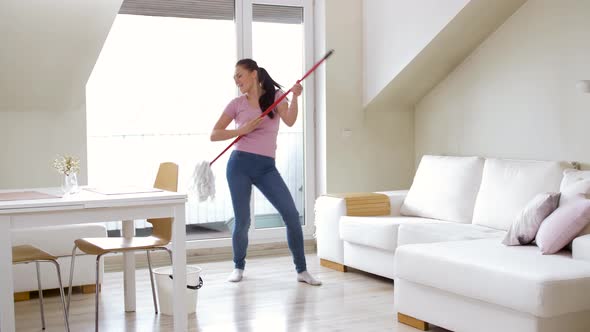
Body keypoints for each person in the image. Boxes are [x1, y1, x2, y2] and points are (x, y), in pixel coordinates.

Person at [210, 59, 321, 286]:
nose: (236, 80)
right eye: (235, 77)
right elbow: (215, 134)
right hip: (239, 165)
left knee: (290, 214)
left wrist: (296, 97)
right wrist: (242, 130)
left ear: (253, 74)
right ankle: (238, 266)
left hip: (266, 168)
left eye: (239, 75)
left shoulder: (276, 96)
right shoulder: (236, 104)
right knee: (243, 221)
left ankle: (302, 270)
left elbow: (289, 120)